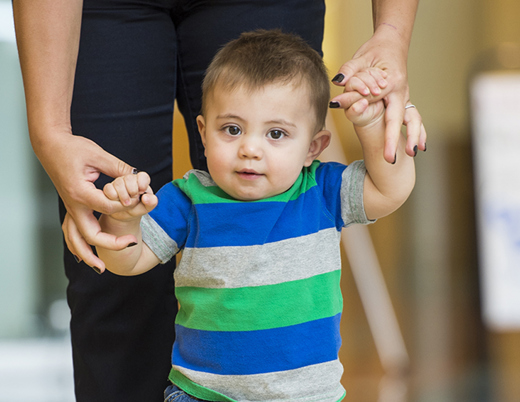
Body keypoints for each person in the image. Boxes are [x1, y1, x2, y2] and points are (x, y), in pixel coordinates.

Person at [12, 1, 424, 400]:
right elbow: (126, 263)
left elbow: (390, 189)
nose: (250, 149)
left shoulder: (321, 192)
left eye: (276, 134)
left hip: (305, 397)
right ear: (203, 132)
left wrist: (371, 124)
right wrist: (122, 219)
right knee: (112, 302)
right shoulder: (186, 200)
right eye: (232, 129)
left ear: (314, 146)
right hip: (200, 396)